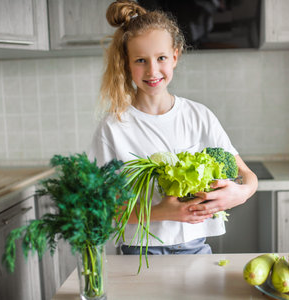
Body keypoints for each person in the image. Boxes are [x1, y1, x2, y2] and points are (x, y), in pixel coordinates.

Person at [89, 0, 258, 255]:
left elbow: (248, 176)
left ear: (175, 56)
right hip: (141, 250)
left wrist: (241, 193)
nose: (152, 70)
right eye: (140, 60)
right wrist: (160, 212)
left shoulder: (199, 116)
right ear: (126, 63)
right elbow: (106, 207)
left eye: (161, 58)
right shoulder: (113, 127)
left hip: (195, 246)